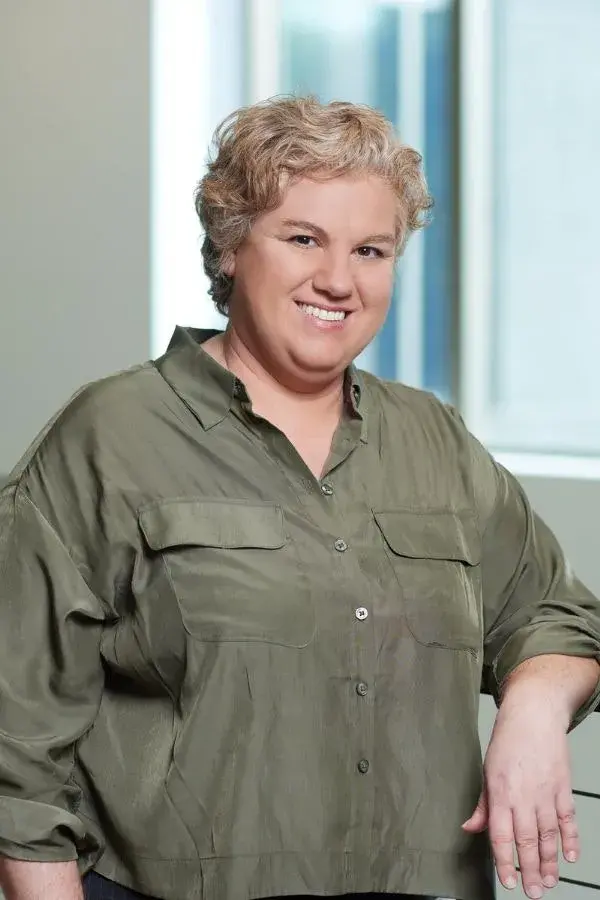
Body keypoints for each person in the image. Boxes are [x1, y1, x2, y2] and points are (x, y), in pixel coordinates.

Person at [0, 95, 599, 900]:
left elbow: (556, 615)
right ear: (231, 247)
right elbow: (16, 746)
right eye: (303, 238)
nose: (338, 281)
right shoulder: (109, 435)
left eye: (371, 250)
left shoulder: (435, 440)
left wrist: (534, 710)